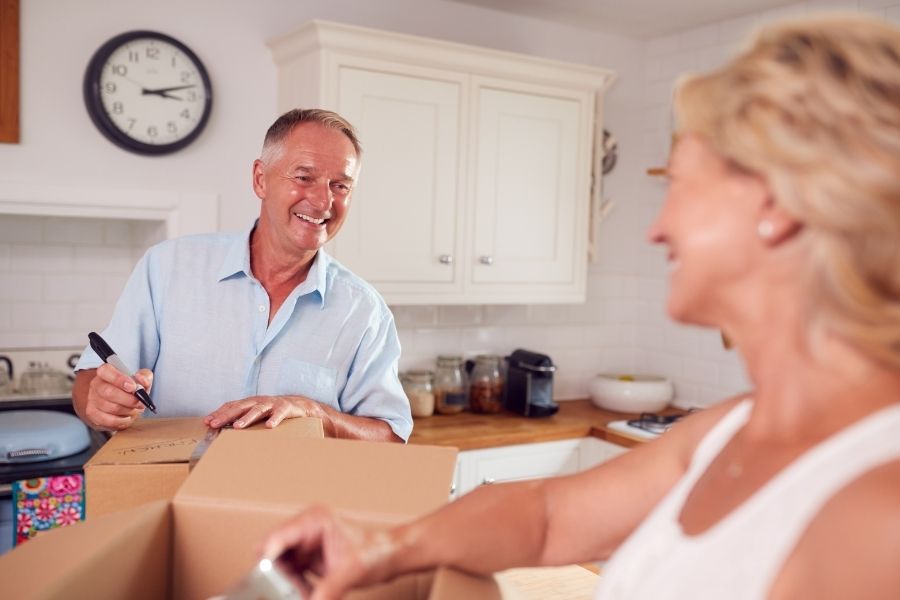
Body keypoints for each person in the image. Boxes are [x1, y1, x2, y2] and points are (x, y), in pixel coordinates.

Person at [258, 15, 900, 599]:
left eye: (681, 186)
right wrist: (379, 547)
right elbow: (546, 517)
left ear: (777, 209)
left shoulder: (875, 510)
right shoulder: (732, 428)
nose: (658, 228)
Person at [73, 109, 412, 443]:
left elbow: (391, 435)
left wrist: (317, 414)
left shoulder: (365, 310)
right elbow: (90, 381)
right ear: (260, 179)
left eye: (340, 185)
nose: (324, 200)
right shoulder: (167, 267)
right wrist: (101, 403)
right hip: (168, 493)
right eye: (303, 177)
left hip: (295, 497)